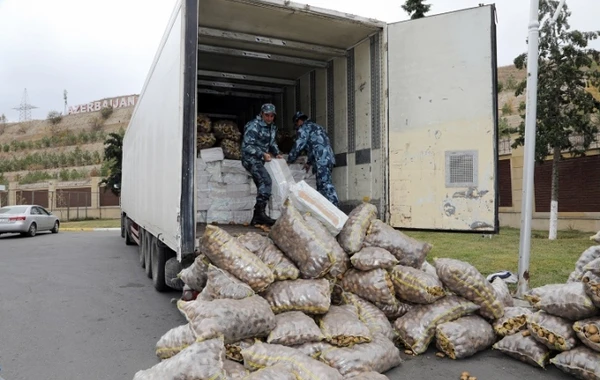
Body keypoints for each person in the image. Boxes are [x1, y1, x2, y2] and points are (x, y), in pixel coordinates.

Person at [241, 103, 283, 226]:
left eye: (272, 116)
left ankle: (257, 217)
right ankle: (259, 214)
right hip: (251, 158)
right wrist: (262, 154)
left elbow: (272, 142)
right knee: (266, 181)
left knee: (262, 183)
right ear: (261, 114)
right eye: (267, 115)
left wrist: (277, 153)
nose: (269, 118)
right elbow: (247, 146)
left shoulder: (272, 127)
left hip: (261, 159)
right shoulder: (253, 126)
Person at [287, 111, 340, 207]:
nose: (297, 128)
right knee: (321, 186)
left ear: (299, 121)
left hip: (321, 160)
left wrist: (289, 159)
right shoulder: (318, 127)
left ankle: (336, 210)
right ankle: (326, 211)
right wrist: (309, 162)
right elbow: (315, 146)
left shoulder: (304, 128)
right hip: (327, 159)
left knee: (325, 185)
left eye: (296, 125)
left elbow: (298, 145)